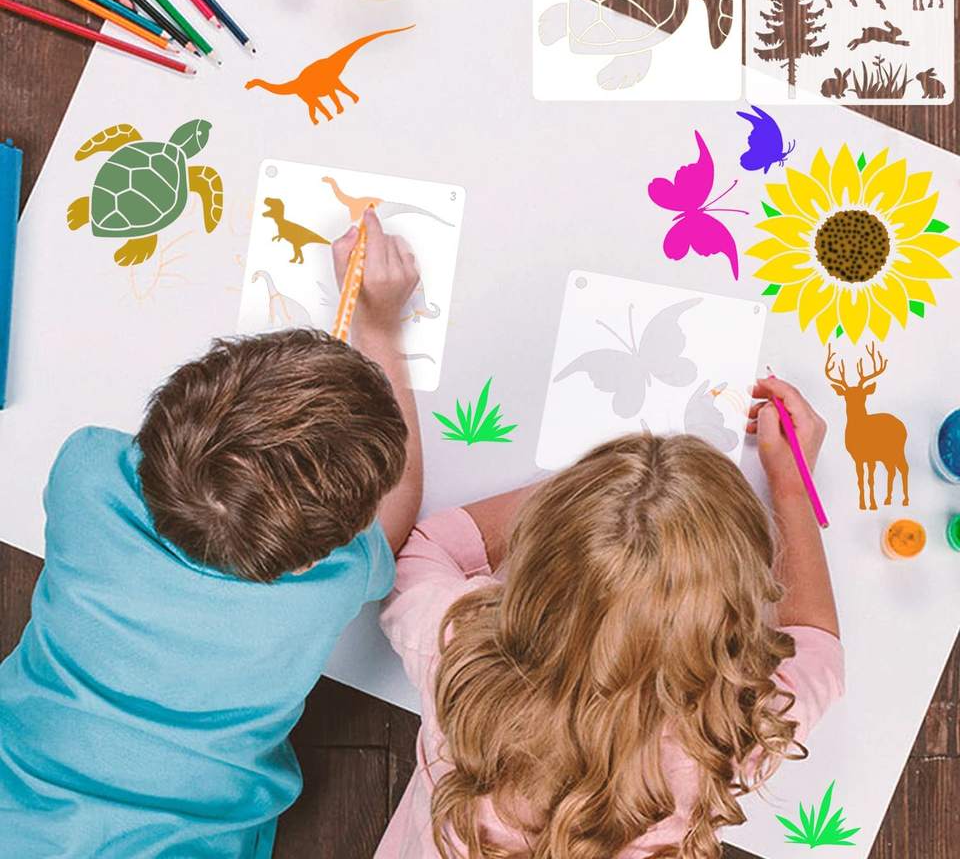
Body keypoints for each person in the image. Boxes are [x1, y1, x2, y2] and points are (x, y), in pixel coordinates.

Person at [0, 213, 422, 858]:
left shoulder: (85, 471)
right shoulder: (332, 583)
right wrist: (382, 329)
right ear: (315, 554)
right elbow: (398, 509)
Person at [378, 378, 842, 858]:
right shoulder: (731, 728)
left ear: (535, 545)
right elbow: (818, 648)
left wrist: (589, 494)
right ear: (732, 614)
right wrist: (792, 487)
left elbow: (424, 550)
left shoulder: (459, 652)